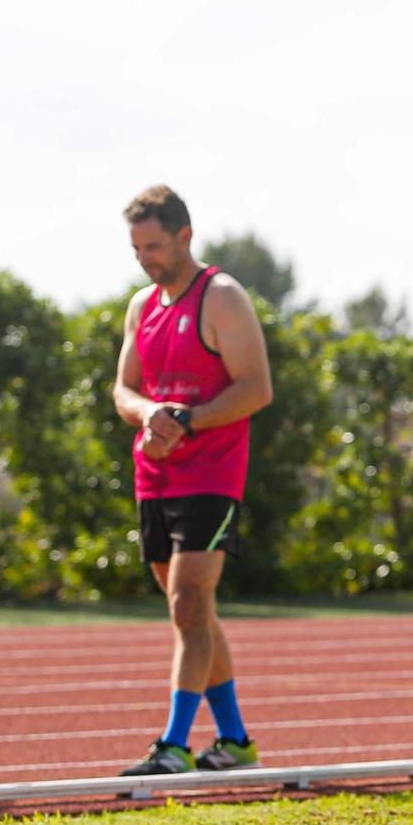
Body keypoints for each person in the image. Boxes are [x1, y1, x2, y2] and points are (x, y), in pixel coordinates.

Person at [113, 185, 276, 776]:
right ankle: (234, 740)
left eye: (153, 245)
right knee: (191, 611)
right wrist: (148, 413)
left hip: (212, 473)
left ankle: (174, 745)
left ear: (185, 235)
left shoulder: (223, 298)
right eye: (136, 247)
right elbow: (123, 389)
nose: (144, 257)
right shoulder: (141, 306)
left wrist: (189, 420)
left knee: (188, 603)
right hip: (154, 475)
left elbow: (256, 388)